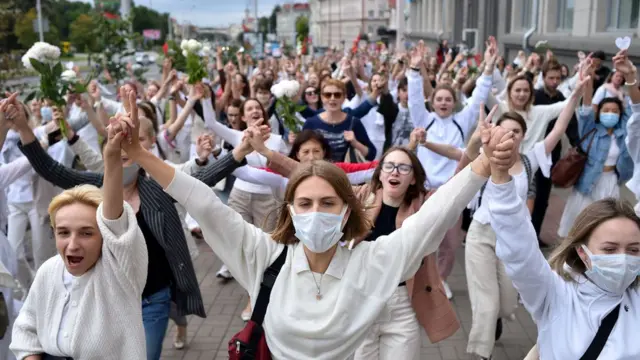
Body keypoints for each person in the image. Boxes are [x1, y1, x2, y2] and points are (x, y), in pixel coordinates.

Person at [110, 93, 517, 358]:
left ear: (347, 211)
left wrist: (483, 163)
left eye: (327, 202)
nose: (315, 211)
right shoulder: (263, 256)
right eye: (304, 203)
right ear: (289, 211)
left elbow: (433, 217)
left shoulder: (374, 260)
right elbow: (201, 199)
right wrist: (139, 155)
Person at [12, 90, 247, 360]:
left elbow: (202, 179)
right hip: (108, 298)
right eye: (117, 146)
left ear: (142, 150)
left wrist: (239, 151)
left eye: (131, 144)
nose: (123, 150)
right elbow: (50, 169)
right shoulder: (94, 189)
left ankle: (179, 322)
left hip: (152, 297)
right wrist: (21, 127)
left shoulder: (158, 188)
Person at [9, 104, 148, 359]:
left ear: (105, 236)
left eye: (86, 233)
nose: (72, 245)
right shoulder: (48, 271)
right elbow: (26, 328)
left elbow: (115, 220)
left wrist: (112, 157)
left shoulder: (119, 273)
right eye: (63, 233)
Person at [486, 132, 640, 359]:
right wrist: (501, 179)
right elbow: (520, 250)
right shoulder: (554, 294)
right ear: (582, 252)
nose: (623, 257)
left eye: (634, 250)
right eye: (609, 249)